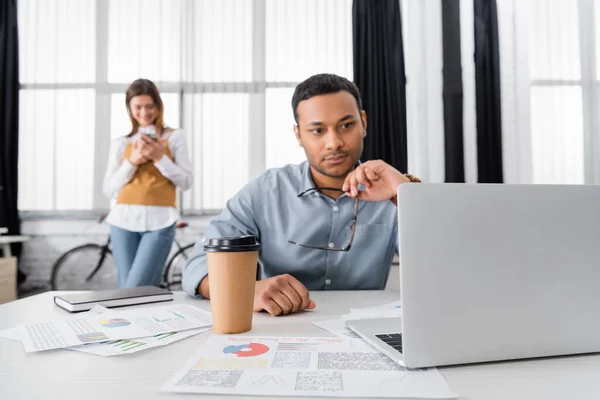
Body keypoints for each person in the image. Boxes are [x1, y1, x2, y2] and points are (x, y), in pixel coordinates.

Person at [182, 73, 419, 315]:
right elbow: (198, 266)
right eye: (317, 130)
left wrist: (406, 196)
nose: (334, 142)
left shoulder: (393, 192)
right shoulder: (264, 192)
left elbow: (446, 266)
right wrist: (243, 290)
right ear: (298, 135)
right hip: (280, 329)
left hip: (364, 331)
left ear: (364, 124)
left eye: (346, 125)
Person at [103, 79, 193, 288]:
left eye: (149, 106)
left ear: (158, 106)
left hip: (160, 222)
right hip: (122, 222)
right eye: (138, 107)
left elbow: (186, 182)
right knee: (126, 288)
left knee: (136, 289)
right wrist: (132, 162)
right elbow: (109, 189)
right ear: (129, 109)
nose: (144, 112)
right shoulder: (121, 143)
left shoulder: (174, 137)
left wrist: (159, 158)